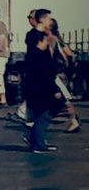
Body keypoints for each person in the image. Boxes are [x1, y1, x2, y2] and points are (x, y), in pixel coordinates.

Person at [25, 12, 65, 153]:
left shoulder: (46, 37)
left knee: (41, 110)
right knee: (50, 107)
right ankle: (37, 141)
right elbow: (38, 64)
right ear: (42, 20)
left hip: (41, 79)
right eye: (48, 18)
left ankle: (37, 140)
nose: (50, 20)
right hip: (40, 82)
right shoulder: (34, 37)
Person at [49, 18, 80, 133]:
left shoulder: (51, 40)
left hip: (57, 73)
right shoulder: (59, 40)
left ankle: (73, 120)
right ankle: (73, 120)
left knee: (64, 98)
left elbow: (50, 57)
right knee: (63, 97)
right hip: (62, 72)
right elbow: (70, 55)